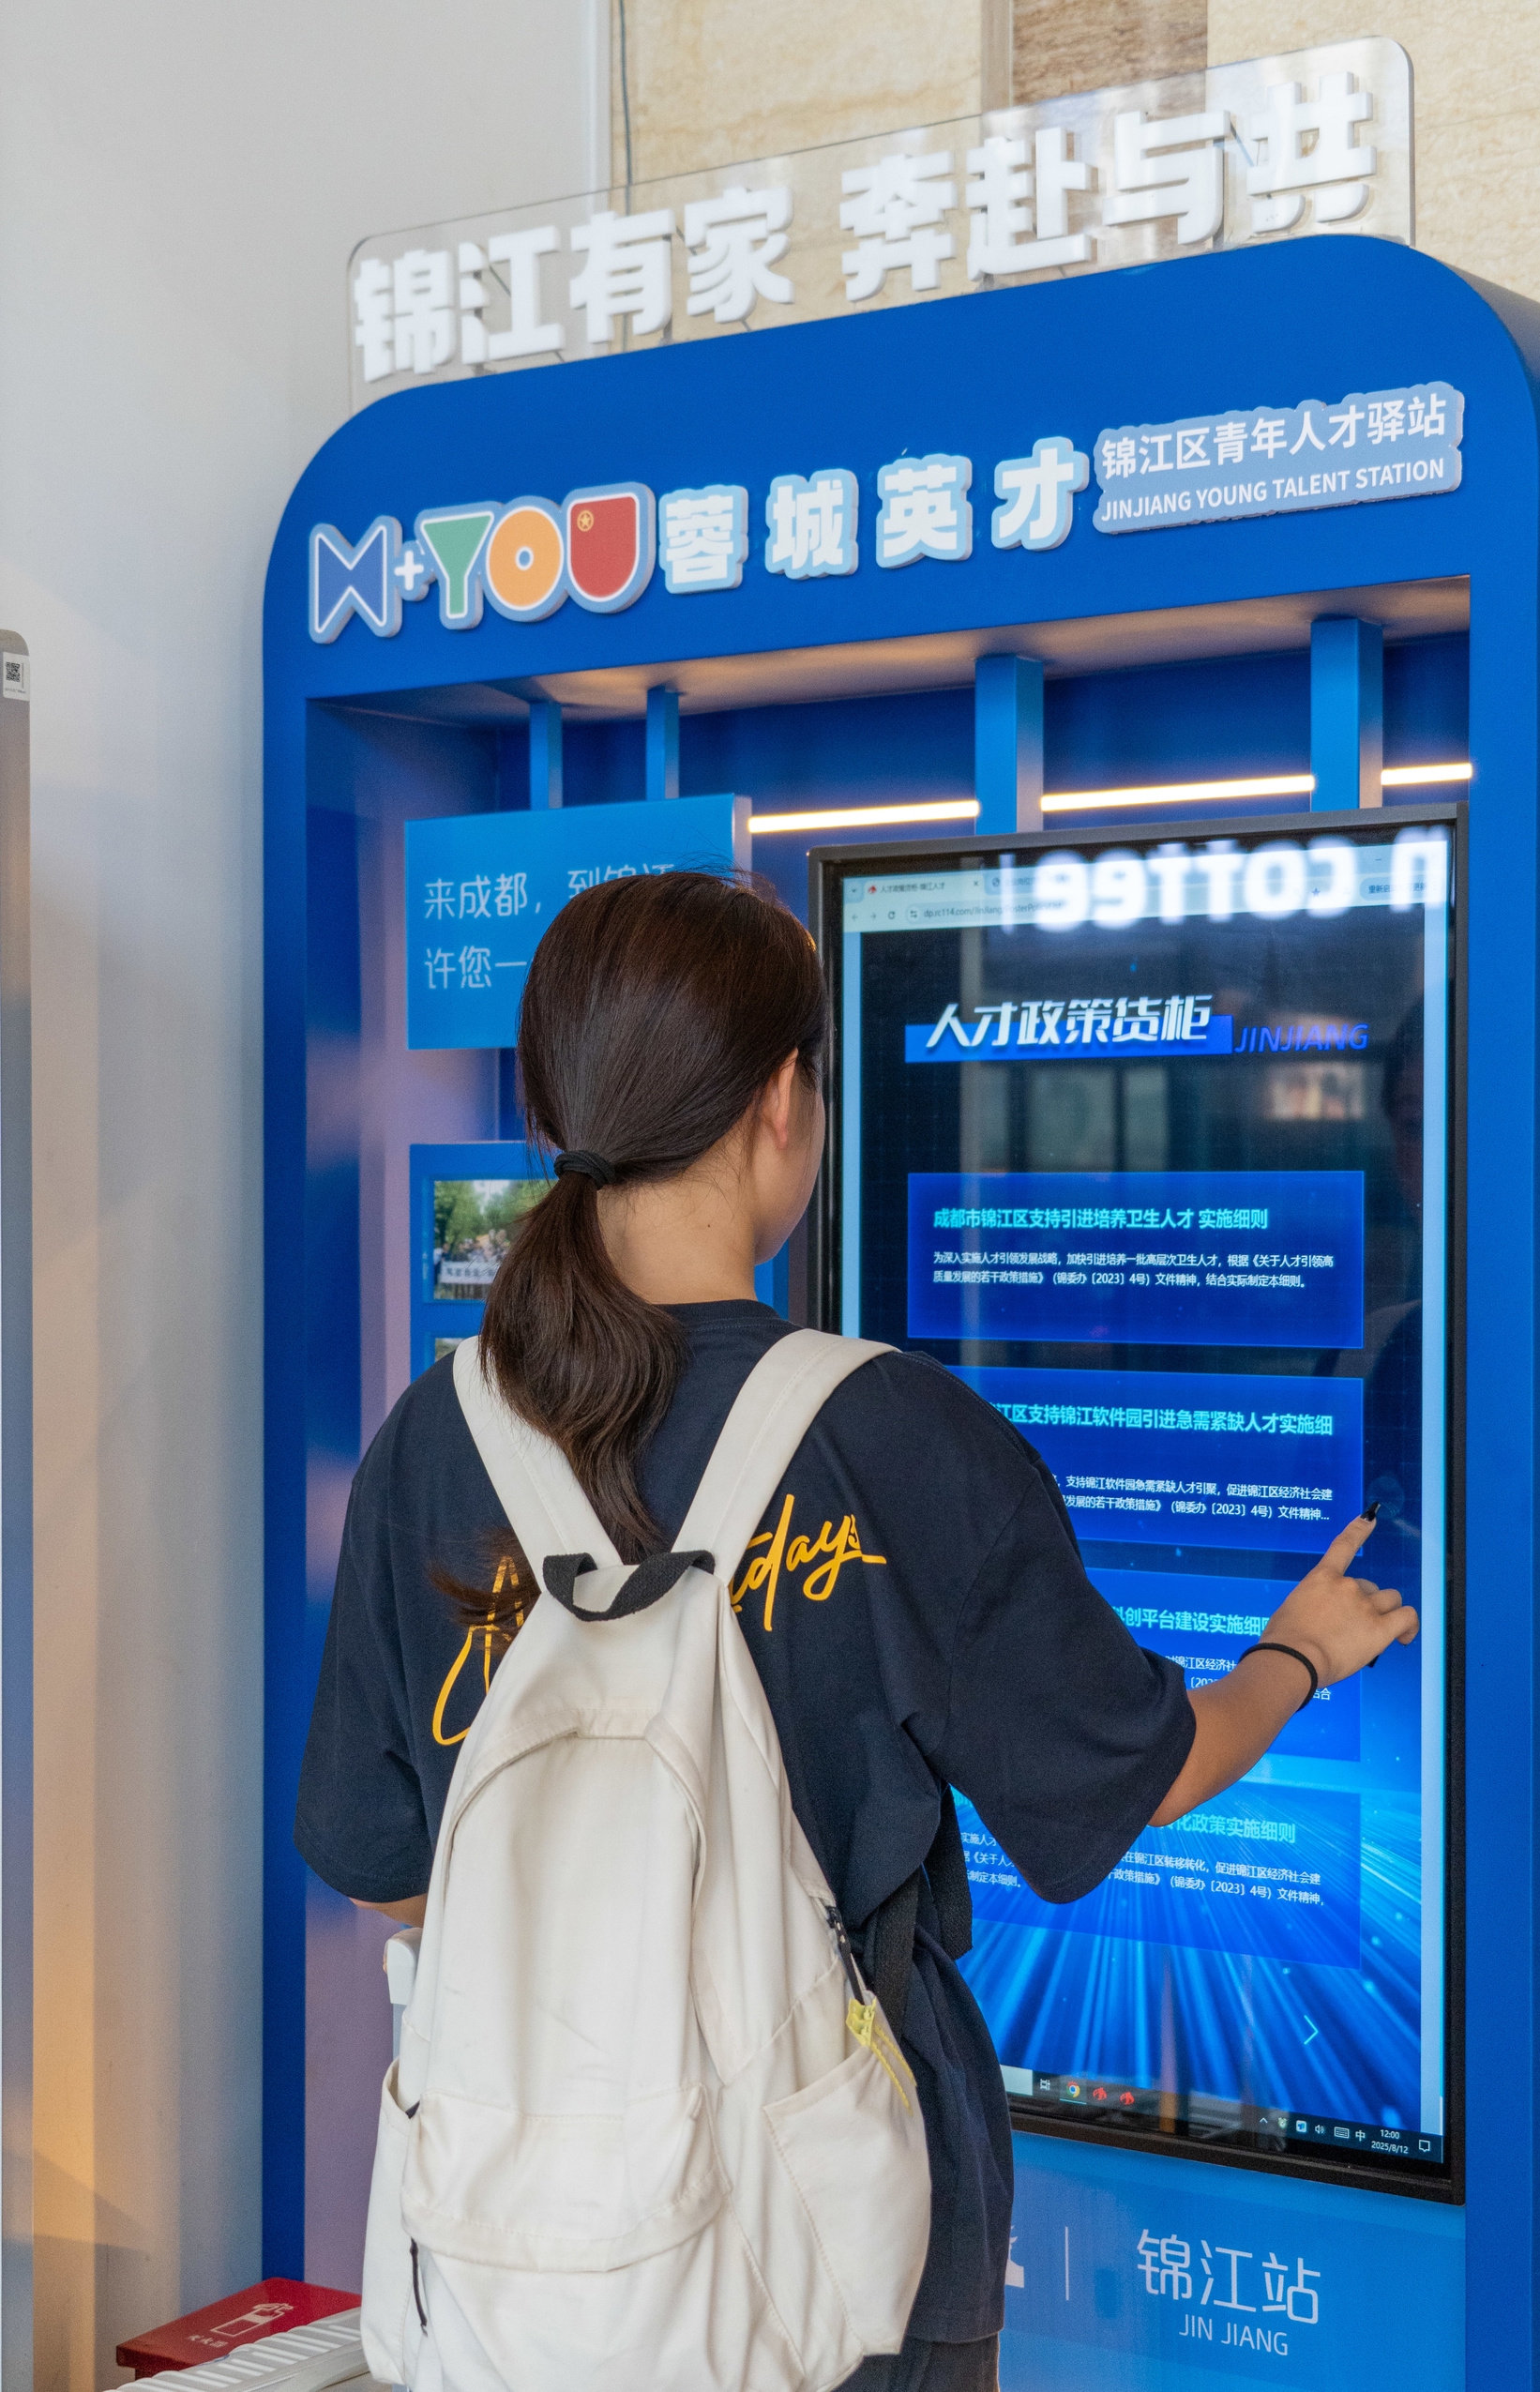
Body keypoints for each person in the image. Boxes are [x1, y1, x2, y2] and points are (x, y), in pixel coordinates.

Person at [295, 870, 1417, 2392]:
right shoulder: (895, 1433)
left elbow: (382, 1865)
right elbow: (1142, 1774)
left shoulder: (434, 1438)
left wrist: (597, 2010)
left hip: (521, 2242)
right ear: (783, 1100)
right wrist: (1298, 1656)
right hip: (840, 2242)